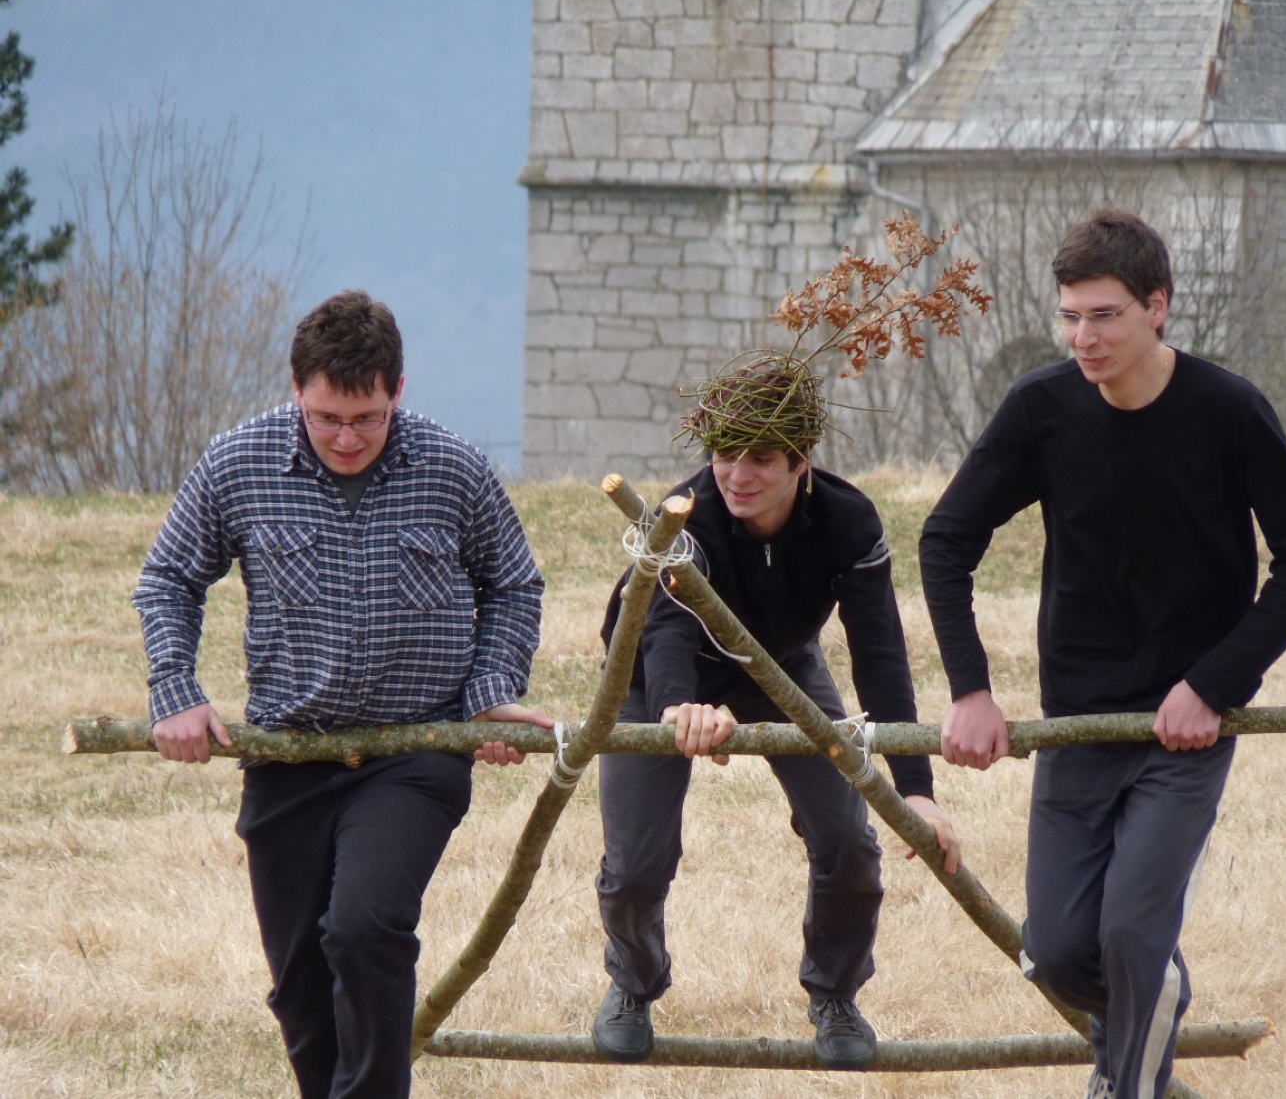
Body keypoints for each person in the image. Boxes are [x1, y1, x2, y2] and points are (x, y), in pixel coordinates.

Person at [919, 210, 1286, 1099]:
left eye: (1104, 315)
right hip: (1079, 722)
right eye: (1070, 317)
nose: (1083, 338)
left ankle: (1127, 1082)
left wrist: (1212, 685)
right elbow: (946, 539)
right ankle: (1150, 1002)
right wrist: (971, 689)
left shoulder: (1228, 411)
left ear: (1158, 307)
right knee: (1059, 950)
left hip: (1186, 733)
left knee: (1131, 937)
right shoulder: (1042, 409)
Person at [132, 290, 549, 1099]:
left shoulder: (454, 467)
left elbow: (513, 583)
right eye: (326, 418)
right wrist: (175, 690)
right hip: (288, 754)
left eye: (367, 418)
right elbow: (168, 579)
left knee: (363, 928)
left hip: (415, 752)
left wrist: (491, 691)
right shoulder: (237, 462)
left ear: (398, 391)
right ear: (296, 390)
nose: (347, 438)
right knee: (300, 985)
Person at [591, 355, 962, 1071]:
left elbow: (880, 653)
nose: (737, 475)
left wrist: (916, 789)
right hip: (656, 678)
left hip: (780, 665)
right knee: (635, 863)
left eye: (760, 458)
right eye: (724, 454)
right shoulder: (685, 514)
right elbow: (665, 630)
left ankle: (836, 993)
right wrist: (676, 707)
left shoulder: (848, 520)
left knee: (849, 842)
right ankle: (632, 983)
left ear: (801, 461)